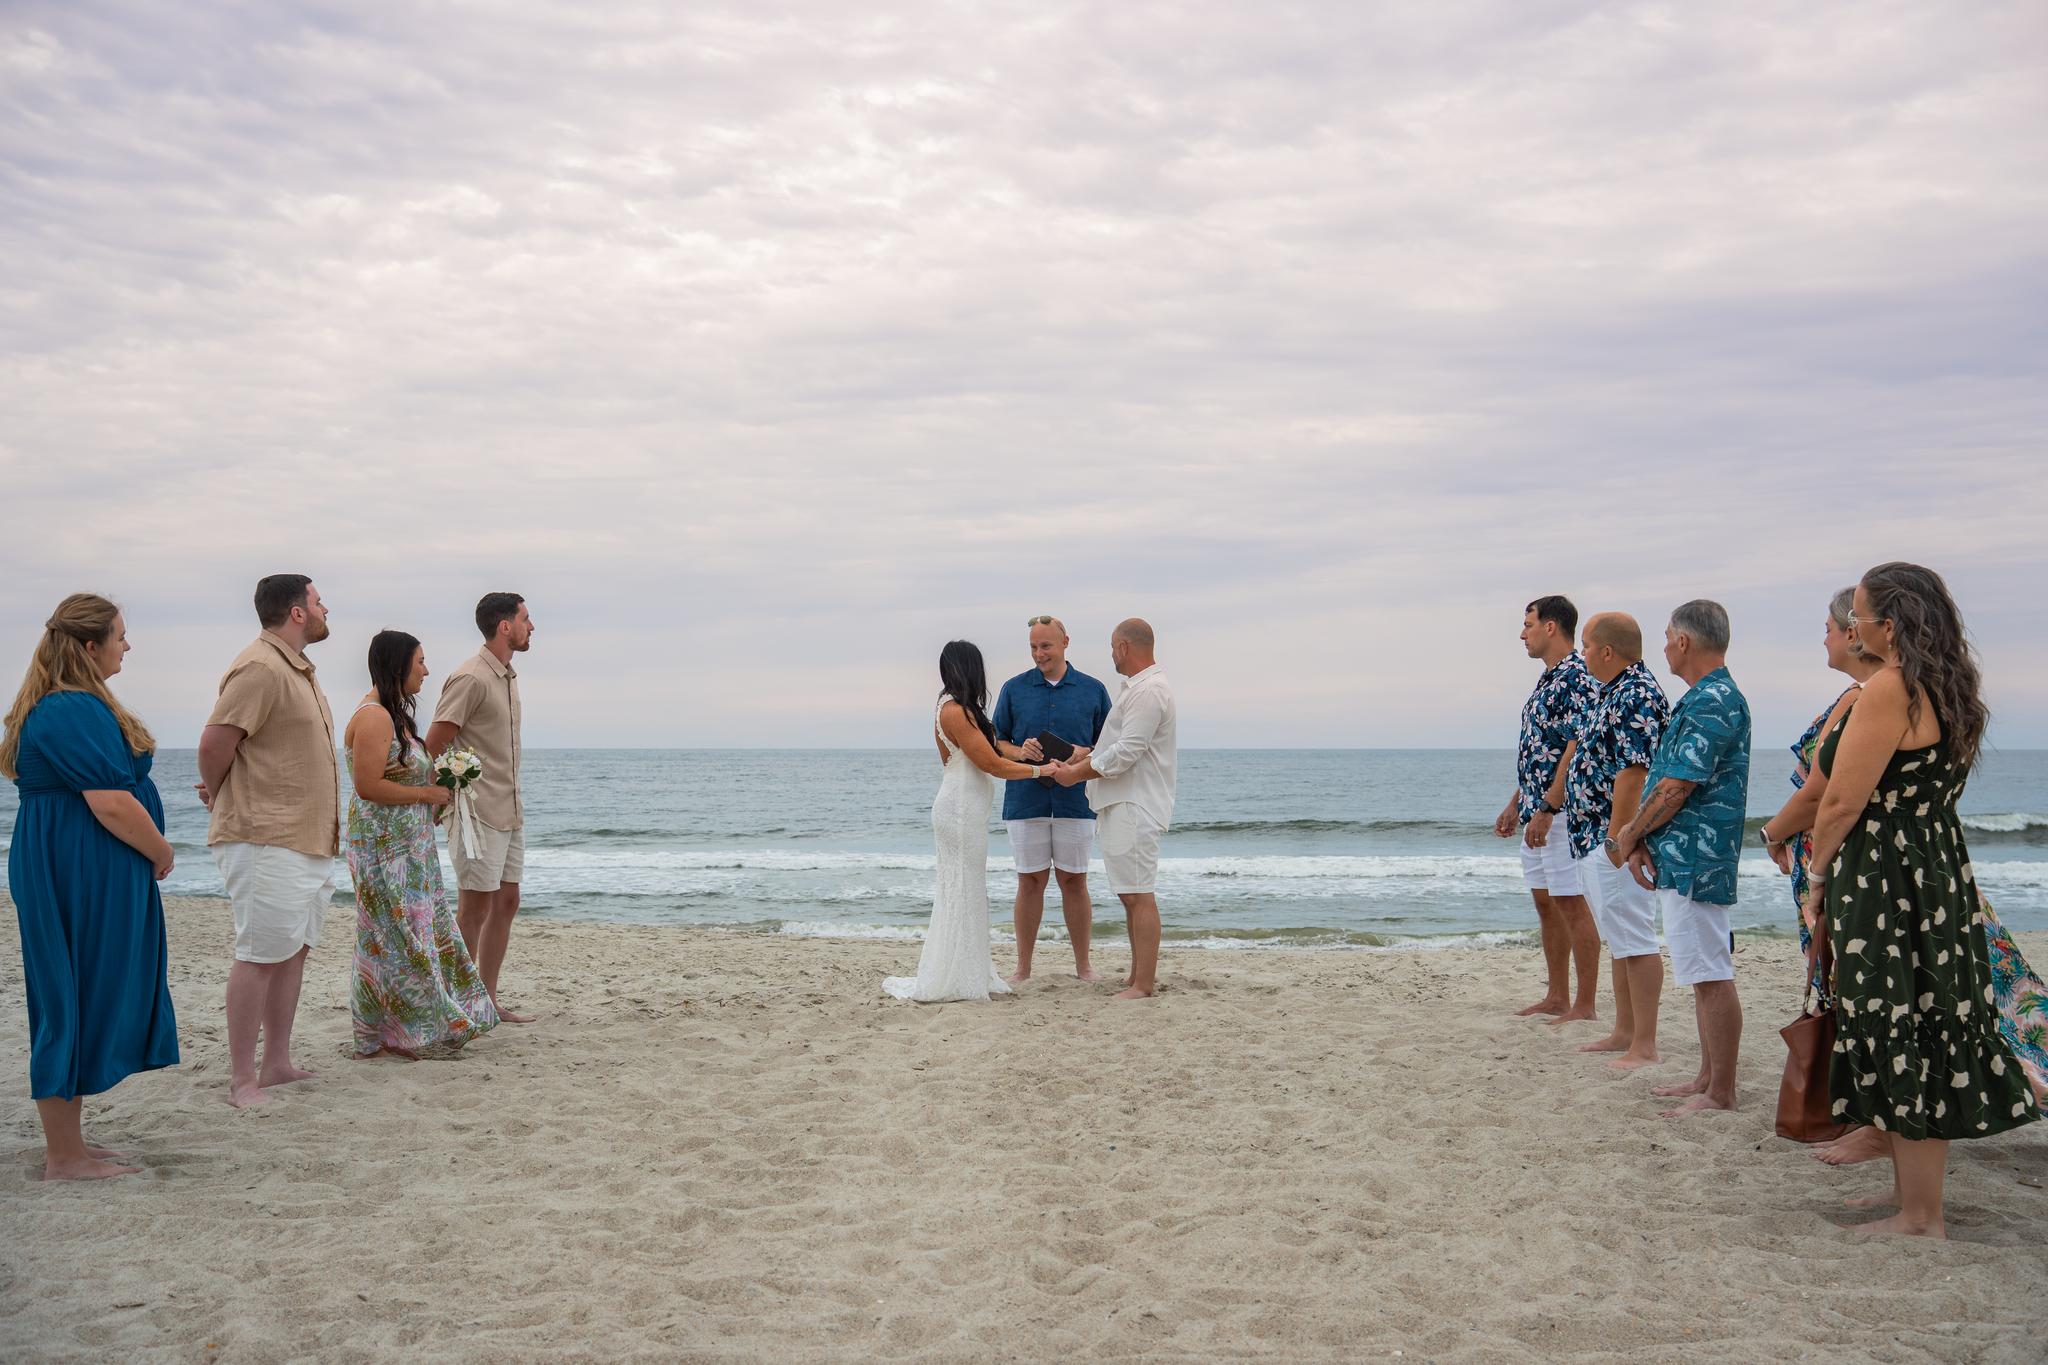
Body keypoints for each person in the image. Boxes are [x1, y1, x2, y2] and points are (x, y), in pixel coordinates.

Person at [1804, 562, 2037, 1237]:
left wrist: (1817, 879)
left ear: (1890, 622)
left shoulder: (1887, 689)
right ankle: (1915, 1205)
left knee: (1896, 1026)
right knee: (1928, 1025)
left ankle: (1920, 1215)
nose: (1853, 625)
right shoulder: (1949, 685)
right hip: (1935, 870)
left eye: (1860, 614)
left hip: (1885, 878)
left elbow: (1843, 799)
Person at [3, 594, 178, 1180]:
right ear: (88, 646)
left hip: (77, 864)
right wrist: (160, 849)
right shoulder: (69, 708)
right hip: (73, 869)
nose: (127, 645)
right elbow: (108, 803)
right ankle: (64, 1157)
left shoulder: (69, 705)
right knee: (65, 994)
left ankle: (70, 1144)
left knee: (76, 989)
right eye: (120, 636)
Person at [197, 575, 341, 1108]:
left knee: (292, 952)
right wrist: (222, 796)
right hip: (266, 836)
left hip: (306, 840)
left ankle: (276, 1063)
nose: (326, 607)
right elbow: (215, 743)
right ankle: (242, 1081)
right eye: (319, 600)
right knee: (258, 954)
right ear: (297, 612)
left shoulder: (297, 669)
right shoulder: (260, 665)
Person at [1608, 600, 1751, 1117]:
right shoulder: (1700, 699)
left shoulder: (1715, 699)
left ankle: (1722, 1091)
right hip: (1682, 854)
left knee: (1710, 974)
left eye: (1668, 637)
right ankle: (1707, 1077)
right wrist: (1644, 840)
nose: (1664, 646)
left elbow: (1677, 786)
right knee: (1698, 970)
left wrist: (1629, 833)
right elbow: (1669, 785)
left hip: (1699, 858)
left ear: (1685, 642)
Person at [343, 630, 499, 1058]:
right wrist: (426, 795)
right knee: (391, 933)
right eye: (421, 662)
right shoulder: (374, 716)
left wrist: (439, 793)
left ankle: (408, 1027)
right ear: (399, 665)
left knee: (414, 928)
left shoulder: (395, 716)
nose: (427, 670)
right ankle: (396, 1031)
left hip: (410, 845)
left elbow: (399, 776)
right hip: (382, 845)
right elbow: (367, 786)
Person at [883, 641, 1045, 1003]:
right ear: (971, 669)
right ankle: (955, 975)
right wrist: (1040, 770)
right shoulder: (954, 711)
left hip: (967, 809)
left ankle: (967, 970)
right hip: (959, 810)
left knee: (967, 889)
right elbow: (992, 765)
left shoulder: (965, 710)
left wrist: (1024, 751)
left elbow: (998, 749)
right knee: (962, 889)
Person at [1760, 587, 1878, 1016]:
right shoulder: (1874, 694)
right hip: (1837, 848)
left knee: (1837, 969)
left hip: (1833, 853)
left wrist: (1771, 833)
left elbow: (1820, 791)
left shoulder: (1860, 698)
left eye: (1827, 629)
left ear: (1852, 632)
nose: (1823, 639)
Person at [1048, 619, 1177, 1001]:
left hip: (1134, 803)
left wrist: (1074, 774)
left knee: (1139, 894)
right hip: (1122, 801)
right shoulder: (1137, 690)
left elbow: (1127, 752)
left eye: (1111, 647)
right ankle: (1137, 975)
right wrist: (1085, 754)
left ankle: (1143, 985)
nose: (1110, 654)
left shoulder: (1149, 691)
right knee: (1129, 893)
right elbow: (1118, 744)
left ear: (1123, 647)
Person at [1563, 613, 1670, 1070]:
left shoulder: (1637, 693)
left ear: (1607, 651)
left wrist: (1617, 840)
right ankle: (1624, 1030)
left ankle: (1644, 1044)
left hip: (1615, 838)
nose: (1581, 653)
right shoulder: (1613, 691)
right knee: (1620, 937)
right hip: (1593, 834)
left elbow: (1634, 772)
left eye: (1586, 646)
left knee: (1635, 937)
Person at [424, 592, 534, 1022]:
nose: (532, 626)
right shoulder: (470, 677)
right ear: (505, 626)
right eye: (526, 618)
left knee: (508, 901)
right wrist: (436, 797)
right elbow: (434, 743)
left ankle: (487, 1000)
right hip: (476, 813)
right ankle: (458, 1005)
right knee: (474, 908)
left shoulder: (507, 676)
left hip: (509, 807)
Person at [1493, 596, 1600, 1020]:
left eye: (1528, 624)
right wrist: (1516, 802)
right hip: (1537, 808)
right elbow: (1542, 750)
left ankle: (1585, 1004)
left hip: (1564, 813)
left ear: (1551, 627)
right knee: (1545, 902)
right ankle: (1557, 995)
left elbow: (1575, 746)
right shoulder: (1547, 679)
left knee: (1571, 902)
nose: (1523, 634)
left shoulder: (1577, 675)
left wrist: (1550, 806)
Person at [990, 615, 1113, 983]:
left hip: (1076, 800)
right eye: (1033, 647)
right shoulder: (1014, 689)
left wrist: (1081, 752)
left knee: (1074, 881)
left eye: (1045, 646)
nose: (1039, 653)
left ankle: (1083, 966)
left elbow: (1108, 747)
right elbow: (997, 742)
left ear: (1064, 643)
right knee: (1029, 882)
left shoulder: (1093, 689)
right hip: (1025, 800)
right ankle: (1023, 968)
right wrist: (1019, 751)